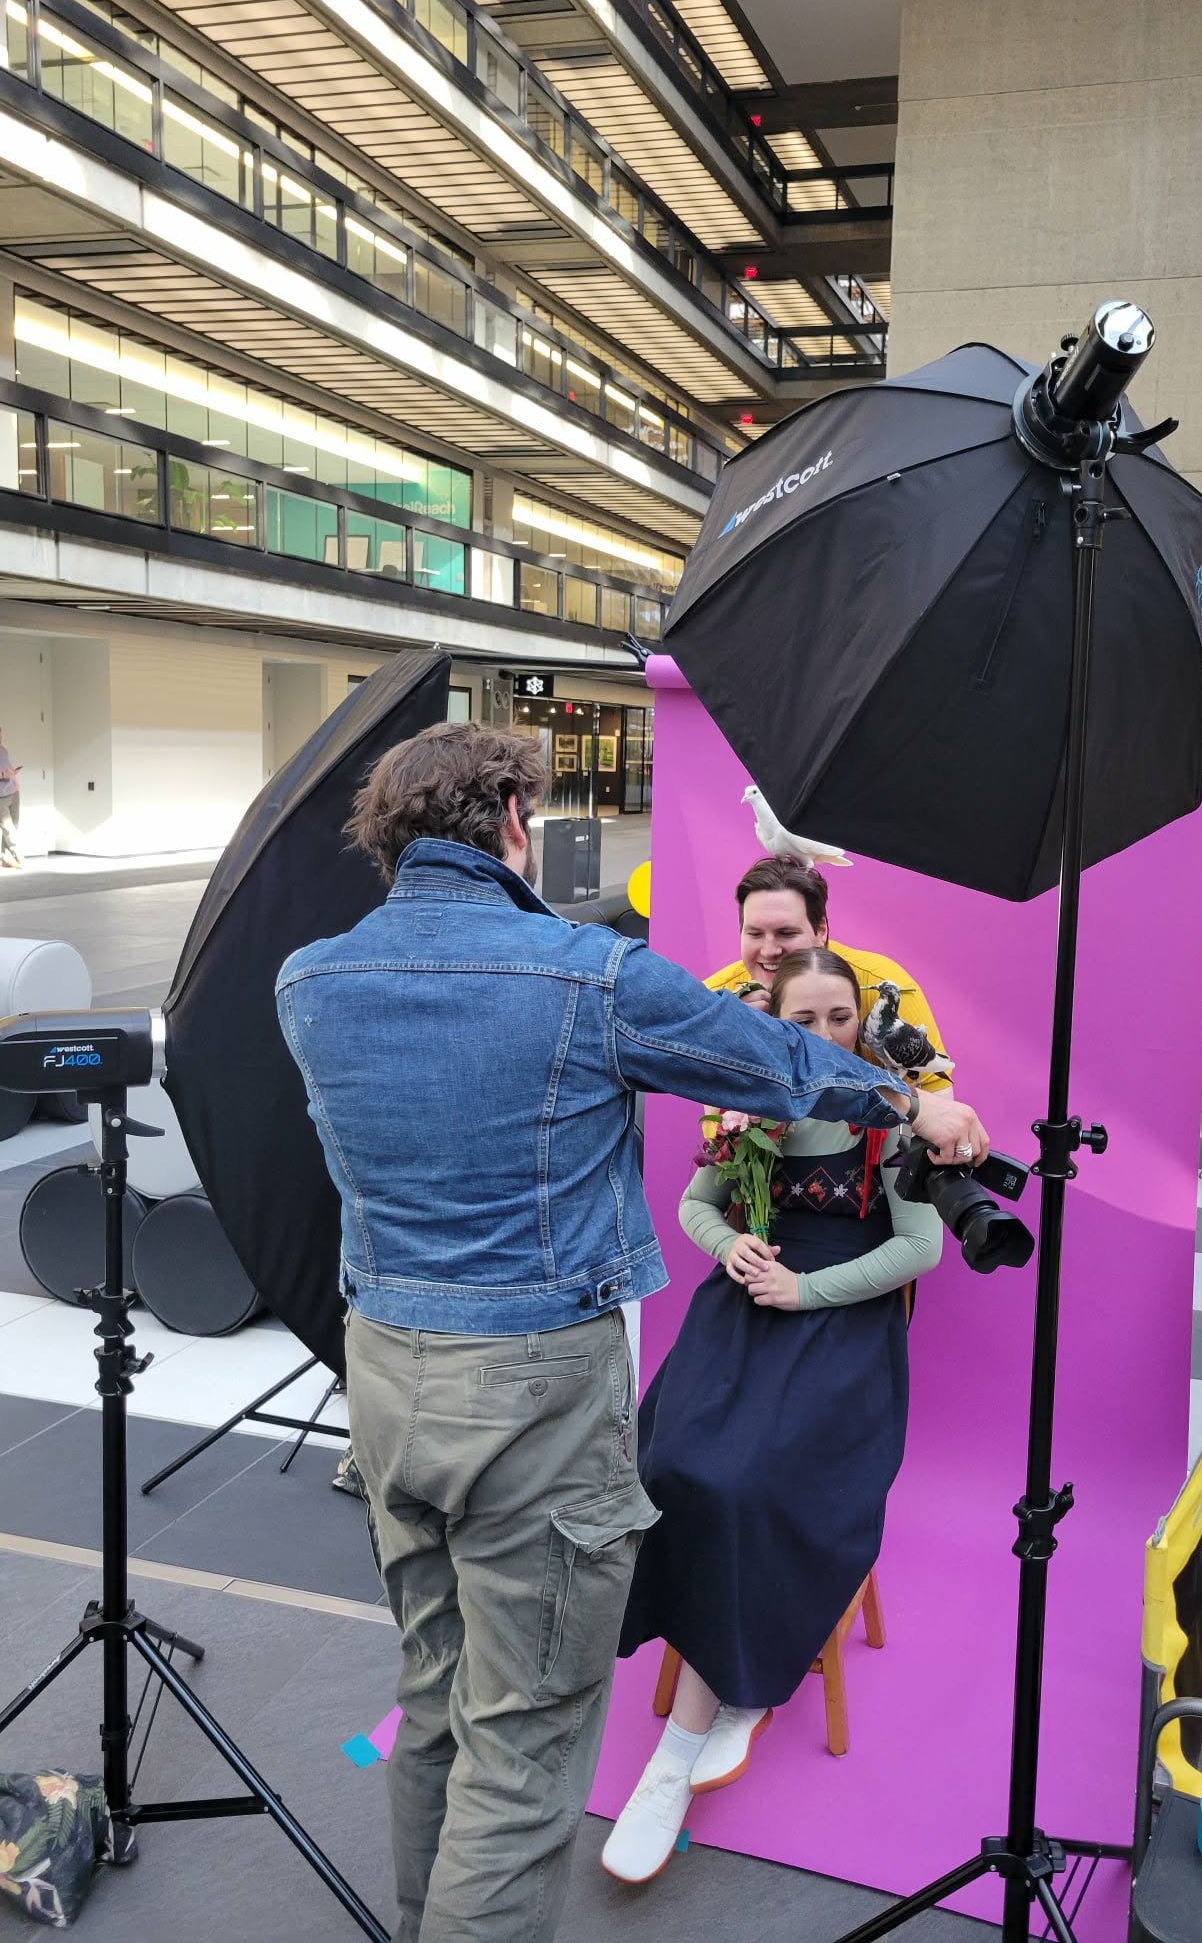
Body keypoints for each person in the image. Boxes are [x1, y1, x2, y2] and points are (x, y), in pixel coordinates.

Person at [273, 725, 989, 1943]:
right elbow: (778, 1060)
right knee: (526, 1729)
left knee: (438, 1688)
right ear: (510, 819)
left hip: (385, 1375)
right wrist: (913, 1102)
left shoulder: (309, 980)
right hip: (535, 1393)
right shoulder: (587, 975)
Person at [604, 948, 945, 1883]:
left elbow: (920, 1250)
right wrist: (735, 1248)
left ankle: (686, 1737)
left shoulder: (891, 1127)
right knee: (665, 1463)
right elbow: (692, 1205)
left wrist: (808, 1288)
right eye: (803, 1021)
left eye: (841, 1018)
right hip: (743, 1312)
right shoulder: (746, 1112)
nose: (824, 1035)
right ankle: (733, 1669)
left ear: (862, 1024)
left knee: (741, 1479)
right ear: (773, 1027)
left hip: (837, 1332)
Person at [705, 855, 951, 1089]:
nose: (769, 950)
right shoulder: (715, 999)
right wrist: (734, 1037)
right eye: (755, 934)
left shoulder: (883, 986)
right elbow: (720, 1121)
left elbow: (942, 1112)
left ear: (821, 930)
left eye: (787, 933)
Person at [0, 729, 23, 869]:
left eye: (0, 733)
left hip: (13, 791)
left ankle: (5, 858)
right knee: (8, 828)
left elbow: (7, 766)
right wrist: (2, 775)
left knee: (13, 826)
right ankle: (18, 857)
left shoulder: (3, 750)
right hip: (0, 797)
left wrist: (13, 776)